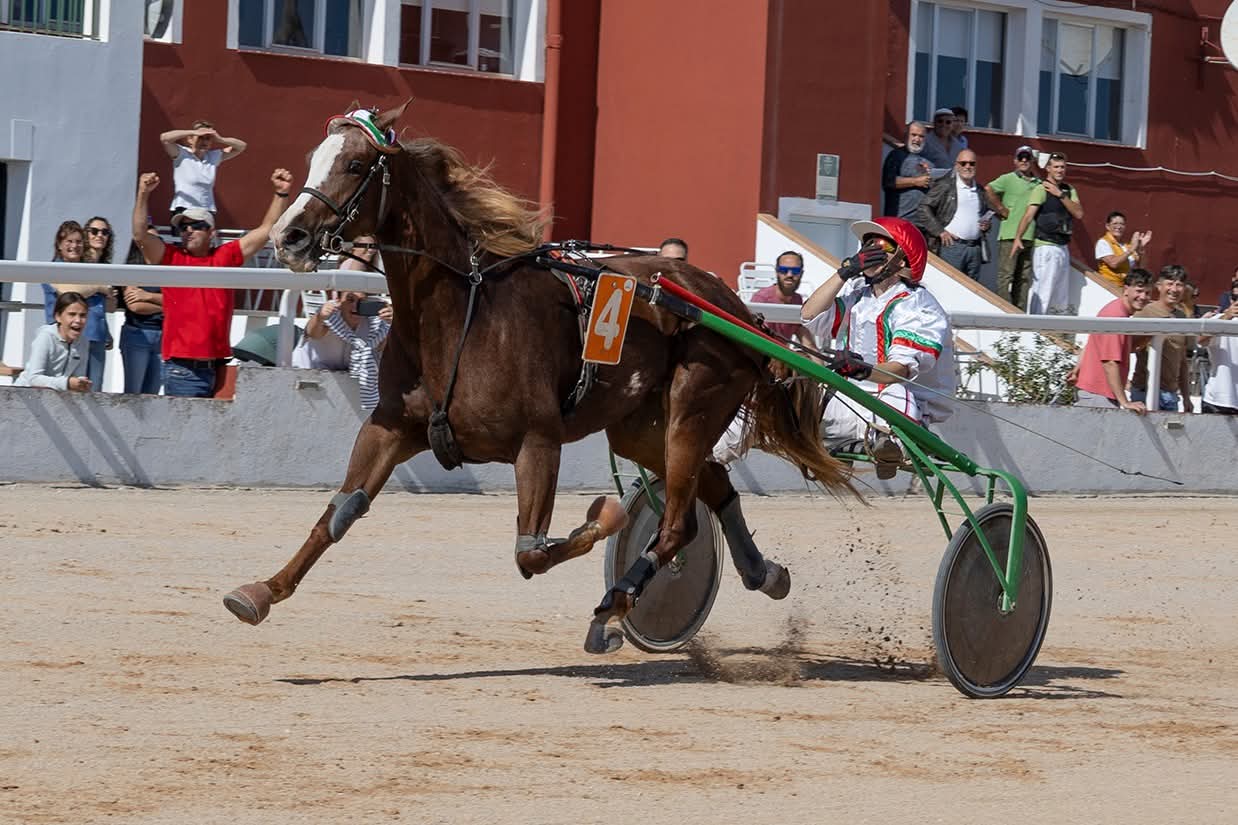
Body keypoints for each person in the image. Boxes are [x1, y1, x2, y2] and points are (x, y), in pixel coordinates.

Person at [132, 167, 294, 397]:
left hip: (218, 369)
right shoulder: (172, 258)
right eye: (183, 227)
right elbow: (140, 236)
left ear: (212, 232)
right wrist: (143, 193)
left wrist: (281, 194)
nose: (188, 231)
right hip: (183, 370)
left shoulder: (223, 257)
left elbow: (267, 230)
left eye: (196, 226)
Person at [292, 289, 393, 412]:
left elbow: (381, 347)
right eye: (350, 300)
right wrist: (319, 317)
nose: (356, 306)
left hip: (345, 385)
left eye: (361, 302)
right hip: (309, 380)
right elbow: (313, 333)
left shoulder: (374, 322)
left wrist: (393, 324)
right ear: (339, 301)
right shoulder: (330, 315)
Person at [43, 220, 113, 388]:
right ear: (59, 245)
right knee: (68, 389)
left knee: (95, 391)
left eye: (79, 241)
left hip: (95, 337)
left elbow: (101, 304)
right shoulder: (52, 268)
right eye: (69, 241)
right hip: (65, 340)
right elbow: (71, 292)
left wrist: (106, 331)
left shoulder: (86, 269)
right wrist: (100, 286)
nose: (74, 246)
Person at [1072, 268, 1153, 413]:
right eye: (1139, 291)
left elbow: (1093, 344)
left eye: (1147, 293)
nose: (1143, 297)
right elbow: (1110, 362)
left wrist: (1077, 369)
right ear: (1126, 289)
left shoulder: (1117, 312)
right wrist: (1125, 402)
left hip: (1096, 392)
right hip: (1099, 395)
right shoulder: (1116, 317)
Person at [1014, 152, 1083, 316]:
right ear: (1049, 169)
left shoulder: (1068, 190)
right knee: (1042, 292)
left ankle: (1056, 334)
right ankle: (1035, 332)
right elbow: (1029, 215)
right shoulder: (1041, 188)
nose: (1060, 170)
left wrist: (1060, 195)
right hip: (1045, 247)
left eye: (1063, 167)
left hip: (1062, 247)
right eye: (1056, 167)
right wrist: (1018, 237)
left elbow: (1079, 213)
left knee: (1060, 296)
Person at [917, 149, 990, 280]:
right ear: (956, 165)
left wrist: (986, 225)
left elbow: (982, 215)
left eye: (971, 164)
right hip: (952, 247)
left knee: (973, 292)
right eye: (963, 163)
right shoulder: (946, 185)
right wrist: (940, 231)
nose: (968, 167)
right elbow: (924, 207)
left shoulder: (979, 190)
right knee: (950, 287)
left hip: (974, 248)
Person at [1130, 265, 1192, 412]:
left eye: (1179, 285)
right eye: (1170, 283)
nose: (1174, 289)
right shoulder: (1145, 311)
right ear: (1159, 286)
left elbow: (1182, 360)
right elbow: (1129, 347)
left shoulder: (1183, 317)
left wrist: (1186, 397)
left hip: (1171, 394)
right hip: (1145, 391)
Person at [985, 146, 1041, 309]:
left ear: (1032, 161)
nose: (1024, 161)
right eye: (1021, 157)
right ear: (1015, 160)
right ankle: (1004, 311)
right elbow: (989, 189)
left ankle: (1019, 314)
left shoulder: (1038, 183)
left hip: (1029, 235)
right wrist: (1000, 208)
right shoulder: (1007, 178)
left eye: (1027, 158)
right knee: (1006, 276)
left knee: (1023, 278)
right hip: (1009, 234)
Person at [160, 120, 248, 217]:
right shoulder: (182, 154)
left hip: (207, 210)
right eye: (201, 138)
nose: (204, 141)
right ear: (190, 139)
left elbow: (241, 146)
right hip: (184, 209)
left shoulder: (213, 157)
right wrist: (193, 132)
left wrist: (220, 139)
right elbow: (165, 138)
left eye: (208, 138)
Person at [15, 291, 92, 392]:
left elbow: (77, 377)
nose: (78, 320)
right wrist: (66, 383)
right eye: (72, 314)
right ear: (58, 317)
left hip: (56, 399)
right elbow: (33, 378)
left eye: (83, 315)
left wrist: (81, 383)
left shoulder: (84, 342)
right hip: (24, 396)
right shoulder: (45, 337)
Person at [749, 251, 813, 347]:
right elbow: (756, 341)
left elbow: (808, 343)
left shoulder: (797, 300)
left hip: (782, 355)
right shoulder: (762, 299)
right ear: (777, 272)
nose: (789, 275)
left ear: (801, 273)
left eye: (795, 271)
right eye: (784, 270)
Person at [881, 121, 932, 224]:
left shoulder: (929, 161)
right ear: (906, 135)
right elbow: (888, 181)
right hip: (900, 220)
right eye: (914, 135)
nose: (917, 139)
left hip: (923, 223)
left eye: (921, 136)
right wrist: (915, 181)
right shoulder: (896, 156)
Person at [1199, 301, 1238, 414]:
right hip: (1219, 399)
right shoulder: (1218, 320)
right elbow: (1201, 340)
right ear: (1231, 300)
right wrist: (1226, 318)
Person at [1094, 211, 1150, 288]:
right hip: (1110, 287)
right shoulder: (1103, 242)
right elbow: (1113, 263)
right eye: (1115, 223)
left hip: (1126, 288)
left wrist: (1141, 249)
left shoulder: (1126, 246)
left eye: (1122, 224)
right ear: (1107, 226)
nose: (1119, 226)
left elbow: (1142, 268)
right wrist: (1131, 249)